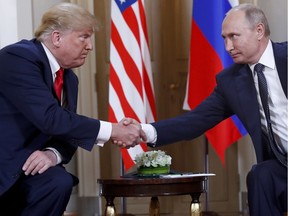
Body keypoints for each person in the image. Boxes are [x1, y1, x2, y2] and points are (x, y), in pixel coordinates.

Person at [123, 3, 287, 216]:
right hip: (282, 167)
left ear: (259, 31)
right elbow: (195, 121)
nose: (228, 46)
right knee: (261, 175)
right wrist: (144, 131)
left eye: (234, 36)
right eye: (224, 38)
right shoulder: (232, 81)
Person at [0, 3, 145, 216]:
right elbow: (50, 118)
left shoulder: (69, 78)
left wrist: (53, 154)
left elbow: (68, 130)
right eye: (83, 37)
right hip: (5, 163)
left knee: (58, 181)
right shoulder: (18, 58)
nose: (90, 46)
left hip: (28, 167)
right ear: (57, 38)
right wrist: (113, 130)